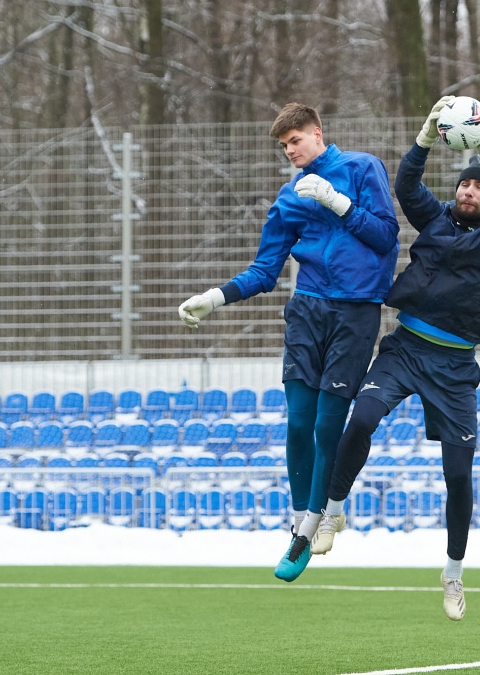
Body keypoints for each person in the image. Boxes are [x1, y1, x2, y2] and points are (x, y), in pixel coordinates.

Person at [310, 96, 480, 620]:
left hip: (453, 369)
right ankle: (334, 511)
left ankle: (453, 575)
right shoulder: (437, 221)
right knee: (361, 418)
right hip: (405, 348)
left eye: (479, 186)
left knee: (458, 476)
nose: (470, 191)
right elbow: (405, 187)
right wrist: (425, 137)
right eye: (465, 184)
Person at [177, 102, 399, 582]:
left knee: (326, 425)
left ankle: (311, 529)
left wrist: (338, 204)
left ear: (318, 133)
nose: (290, 151)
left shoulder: (362, 168)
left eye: (295, 140)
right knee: (298, 424)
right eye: (284, 146)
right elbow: (264, 271)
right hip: (307, 311)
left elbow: (386, 237)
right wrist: (213, 298)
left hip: (356, 313)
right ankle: (301, 521)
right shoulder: (289, 196)